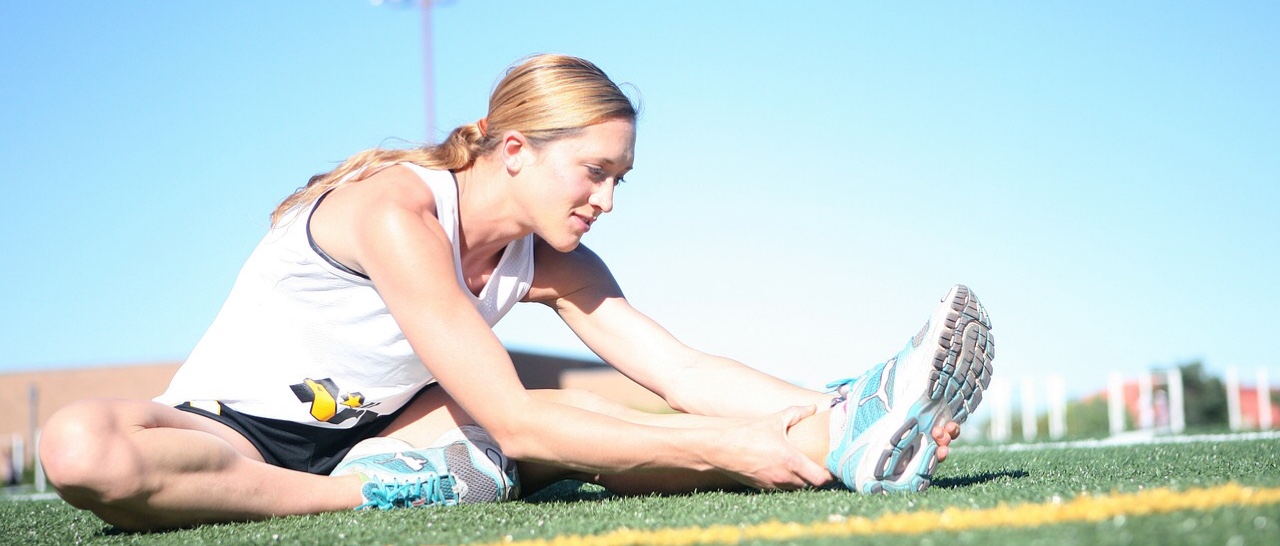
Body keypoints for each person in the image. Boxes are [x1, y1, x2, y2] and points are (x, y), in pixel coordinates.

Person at [38, 54, 994, 531]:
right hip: (229, 434)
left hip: (395, 431)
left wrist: (827, 409)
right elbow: (516, 417)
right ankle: (361, 500)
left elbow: (677, 367)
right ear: (511, 149)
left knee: (584, 424)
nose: (607, 199)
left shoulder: (552, 258)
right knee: (78, 447)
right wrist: (736, 447)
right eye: (593, 171)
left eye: (621, 179)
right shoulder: (393, 211)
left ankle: (844, 431)